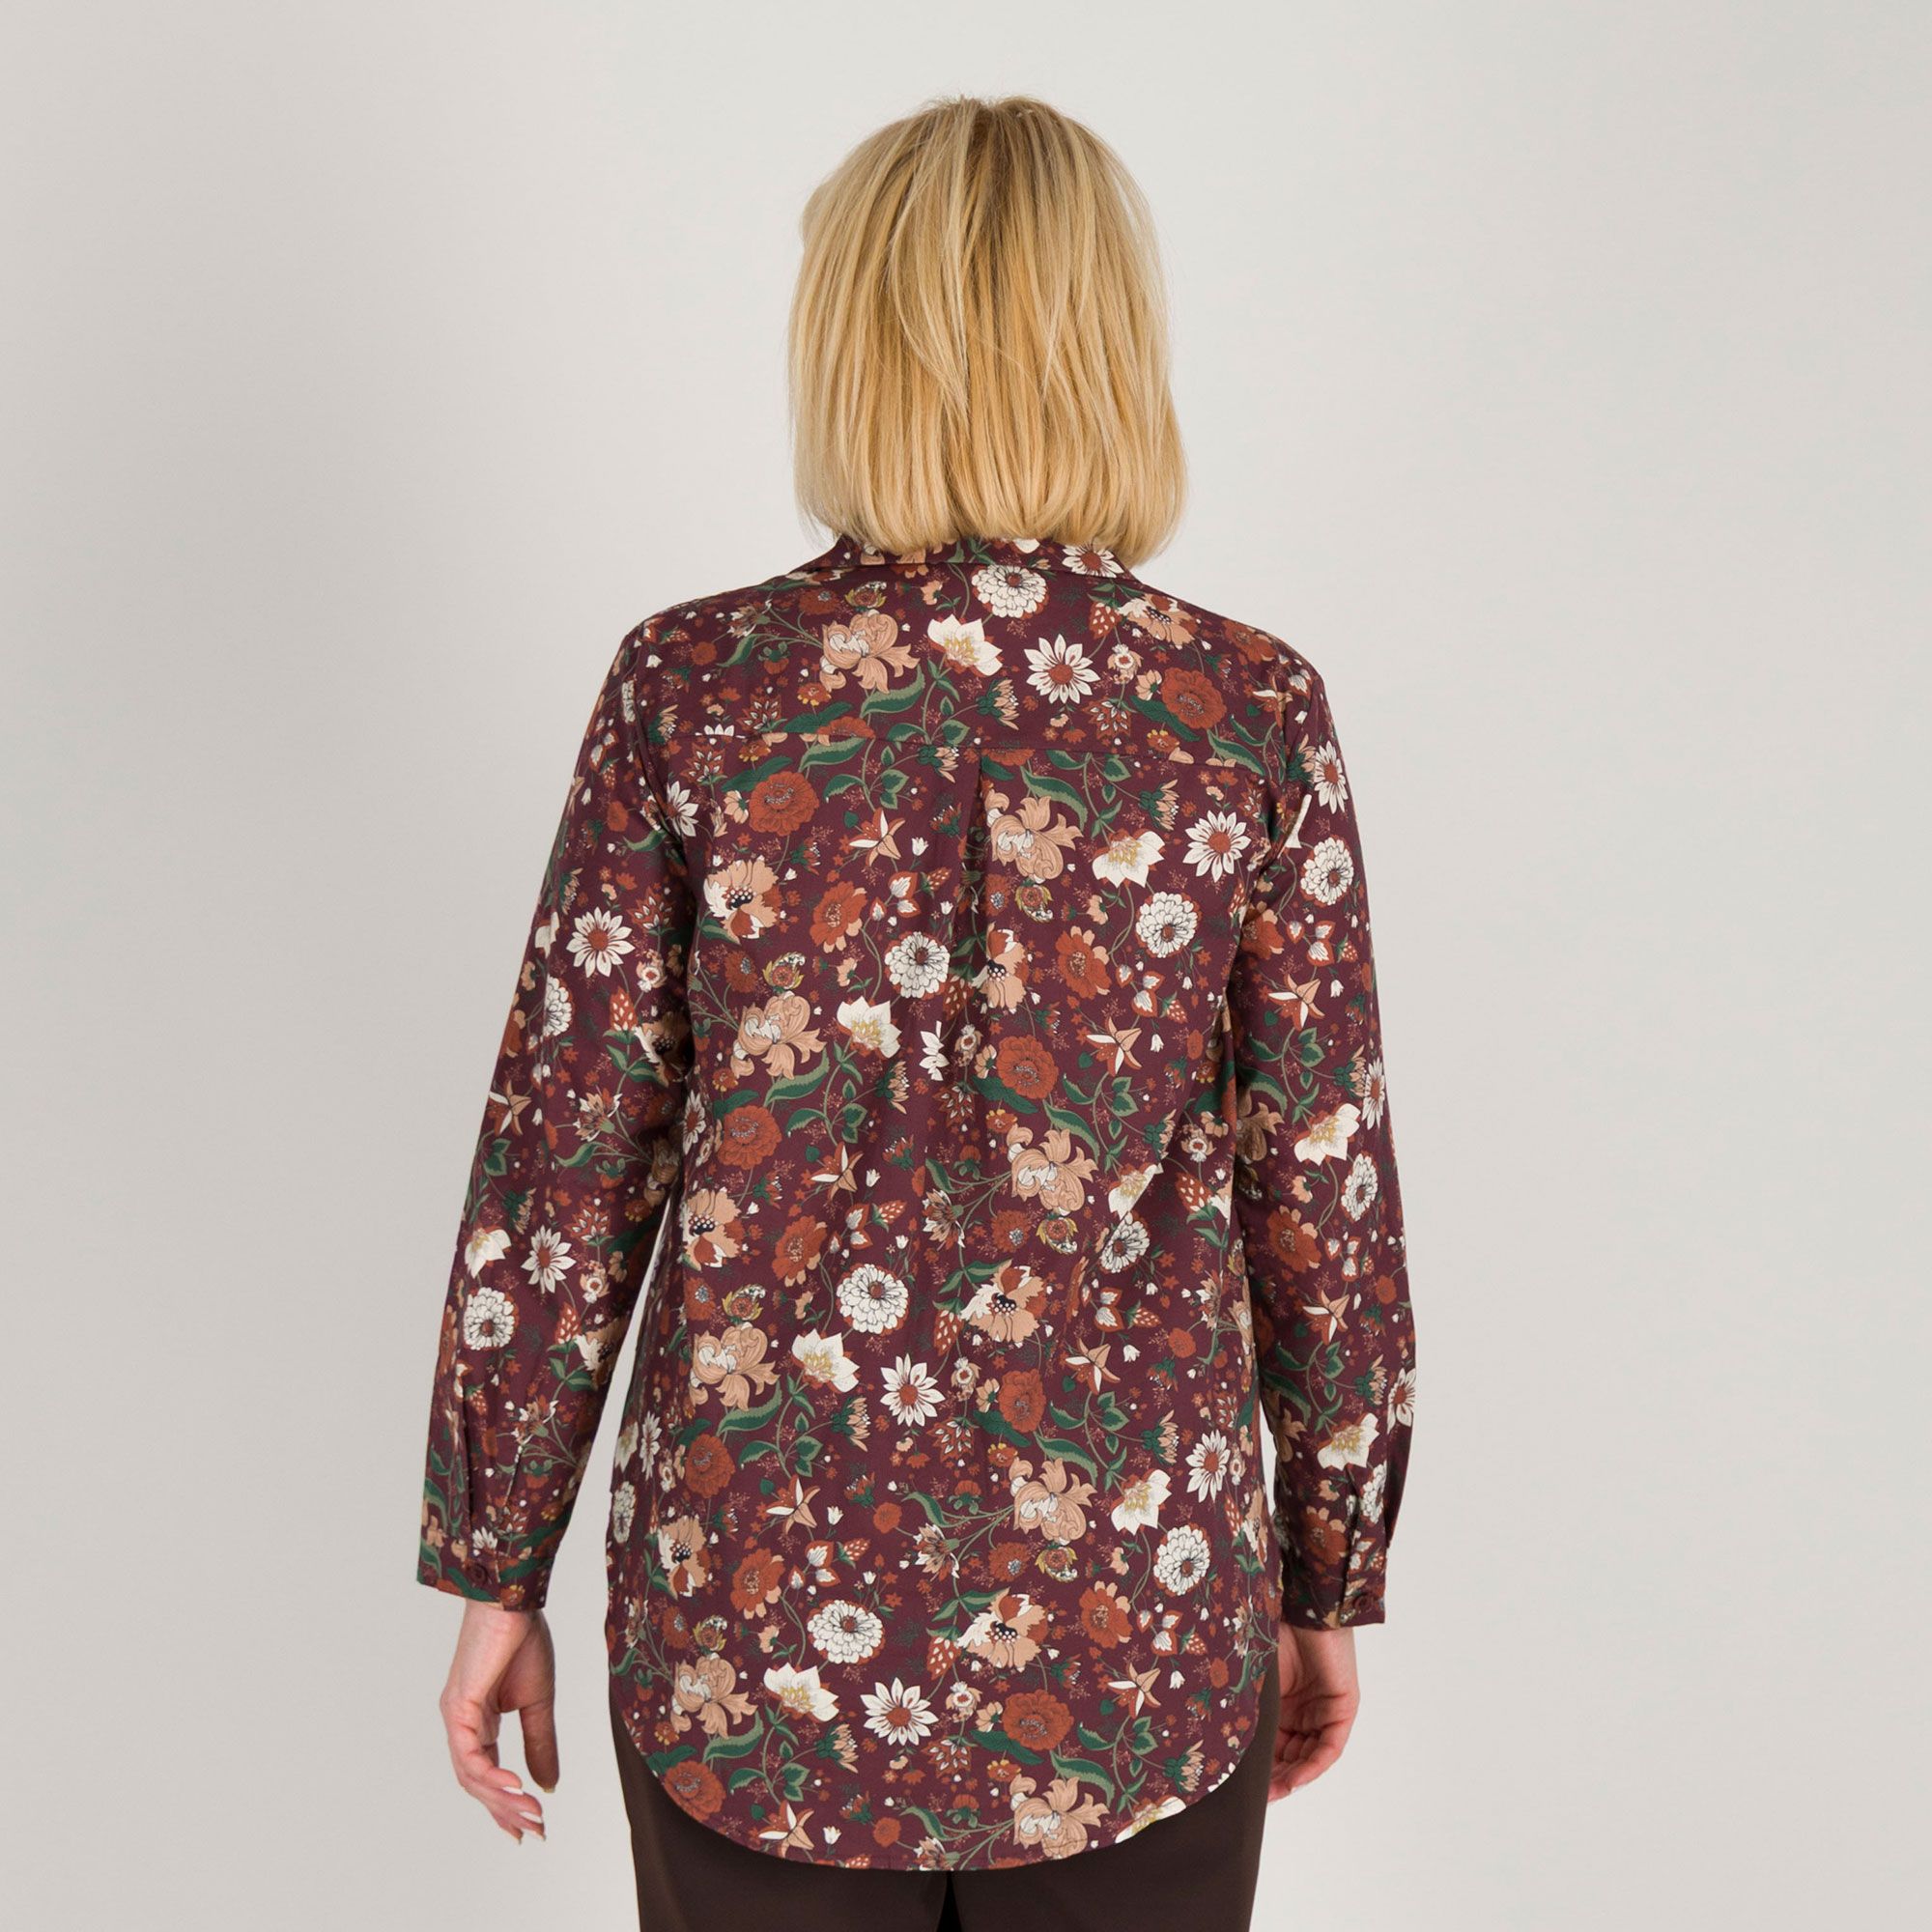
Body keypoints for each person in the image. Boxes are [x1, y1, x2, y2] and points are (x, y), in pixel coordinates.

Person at [417, 94, 1416, 1931]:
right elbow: (1323, 1193)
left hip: (750, 1628)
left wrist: (500, 1567)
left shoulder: (695, 688)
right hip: (1138, 1624)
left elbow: (567, 1168)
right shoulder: (1242, 709)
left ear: (850, 345)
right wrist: (1327, 1577)